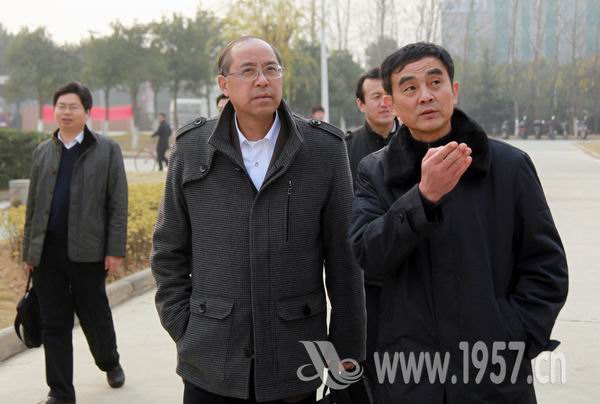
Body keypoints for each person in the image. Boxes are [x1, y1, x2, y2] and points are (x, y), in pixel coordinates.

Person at [151, 36, 365, 404]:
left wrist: (345, 354)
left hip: (294, 357)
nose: (262, 80)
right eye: (248, 71)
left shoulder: (324, 150)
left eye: (271, 69)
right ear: (224, 84)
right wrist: (184, 327)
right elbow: (168, 251)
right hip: (210, 357)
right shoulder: (191, 148)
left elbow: (345, 264)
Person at [350, 43, 568, 404]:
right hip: (410, 376)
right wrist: (423, 199)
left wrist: (512, 335)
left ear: (454, 90)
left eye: (435, 82)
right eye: (409, 87)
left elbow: (546, 267)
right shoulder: (374, 172)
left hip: (494, 373)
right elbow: (367, 254)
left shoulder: (508, 166)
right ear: (392, 103)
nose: (425, 96)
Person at [22, 82, 128, 404]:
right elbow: (32, 206)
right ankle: (60, 392)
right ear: (54, 111)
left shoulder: (107, 150)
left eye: (73, 107)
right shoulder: (43, 152)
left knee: (95, 316)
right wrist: (29, 252)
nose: (66, 112)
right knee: (54, 323)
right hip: (47, 254)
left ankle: (109, 362)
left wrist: (114, 249)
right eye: (61, 107)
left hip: (88, 252)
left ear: (87, 112)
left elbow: (117, 203)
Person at [344, 66, 400, 389]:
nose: (384, 102)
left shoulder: (415, 144)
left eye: (387, 95)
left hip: (407, 276)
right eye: (375, 96)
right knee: (365, 367)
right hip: (362, 280)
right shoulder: (344, 149)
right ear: (361, 104)